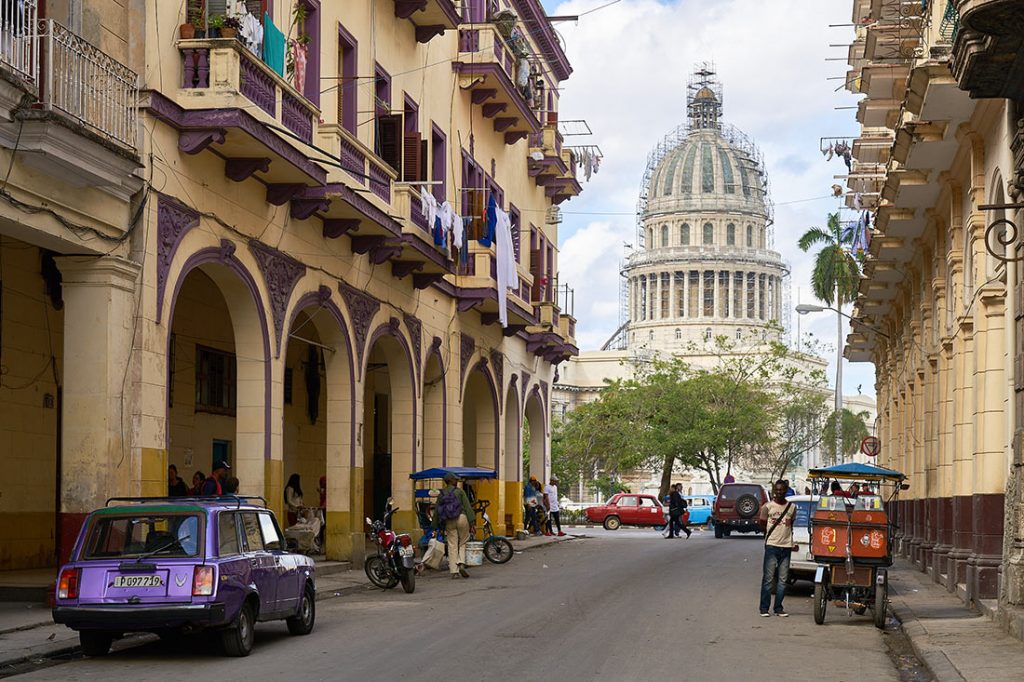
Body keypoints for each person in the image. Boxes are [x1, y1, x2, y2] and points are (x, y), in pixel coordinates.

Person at [759, 480, 797, 617]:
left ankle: (778, 608)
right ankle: (764, 608)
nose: (779, 492)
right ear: (774, 490)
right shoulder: (767, 507)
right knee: (768, 579)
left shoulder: (792, 507)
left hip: (786, 547)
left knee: (782, 580)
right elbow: (762, 524)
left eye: (782, 490)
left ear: (786, 490)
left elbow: (791, 524)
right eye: (777, 490)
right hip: (772, 546)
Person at [431, 472, 476, 579]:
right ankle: (461, 563)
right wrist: (472, 522)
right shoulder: (460, 492)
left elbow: (437, 511)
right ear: (451, 481)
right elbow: (468, 507)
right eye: (455, 480)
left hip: (449, 521)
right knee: (463, 541)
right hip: (462, 517)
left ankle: (454, 571)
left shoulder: (441, 494)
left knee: (452, 545)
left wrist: (434, 526)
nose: (456, 481)